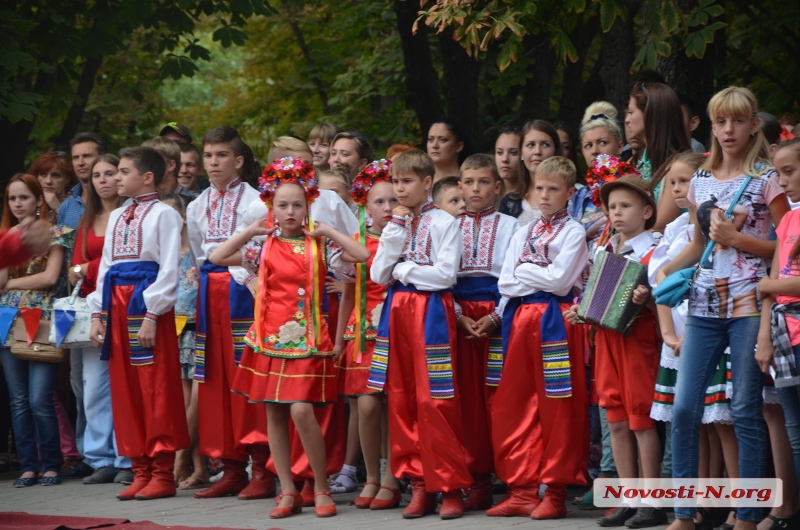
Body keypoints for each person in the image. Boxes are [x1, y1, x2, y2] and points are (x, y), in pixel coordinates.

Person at [657, 87, 790, 530]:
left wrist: (740, 241)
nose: (728, 130)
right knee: (683, 409)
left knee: (745, 408)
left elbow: (782, 248)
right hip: (703, 307)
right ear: (711, 127)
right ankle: (684, 512)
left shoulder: (766, 178)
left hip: (750, 306)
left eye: (737, 121)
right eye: (720, 122)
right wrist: (660, 271)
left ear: (754, 124)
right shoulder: (700, 181)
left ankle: (749, 515)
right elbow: (698, 245)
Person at [209, 156, 370, 519]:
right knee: (275, 415)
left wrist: (327, 230)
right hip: (269, 339)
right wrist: (250, 230)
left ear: (309, 205)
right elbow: (218, 256)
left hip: (310, 340)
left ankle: (321, 485)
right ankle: (287, 490)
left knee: (301, 410)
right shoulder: (262, 245)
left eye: (298, 204)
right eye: (282, 205)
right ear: (271, 207)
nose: (291, 211)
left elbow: (361, 255)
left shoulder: (318, 244)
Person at [369, 149, 471, 519]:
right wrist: (394, 235)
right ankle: (419, 485)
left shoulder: (445, 222)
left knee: (437, 398)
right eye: (395, 181)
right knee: (402, 398)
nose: (399, 188)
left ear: (427, 183)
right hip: (399, 314)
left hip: (430, 315)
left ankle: (451, 485)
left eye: (407, 180)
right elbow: (378, 274)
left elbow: (445, 276)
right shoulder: (395, 224)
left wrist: (405, 271)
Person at [87, 146, 188, 500]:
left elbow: (169, 269)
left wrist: (152, 314)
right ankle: (140, 468)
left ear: (147, 177)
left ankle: (162, 472)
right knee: (125, 388)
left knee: (155, 386)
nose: (116, 178)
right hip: (116, 303)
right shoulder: (116, 215)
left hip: (145, 305)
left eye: (123, 171)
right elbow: (107, 268)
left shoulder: (164, 215)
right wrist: (98, 313)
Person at [566, 171, 666, 528]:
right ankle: (628, 496)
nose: (617, 213)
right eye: (612, 207)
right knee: (616, 419)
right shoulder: (607, 248)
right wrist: (583, 310)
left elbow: (666, 299)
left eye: (626, 205)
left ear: (647, 211)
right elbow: (598, 297)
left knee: (641, 418)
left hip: (638, 341)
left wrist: (650, 298)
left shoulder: (657, 249)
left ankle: (651, 501)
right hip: (607, 341)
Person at [647, 152, 739, 529]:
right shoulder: (673, 232)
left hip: (717, 327)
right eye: (673, 183)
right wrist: (668, 334)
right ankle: (699, 503)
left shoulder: (713, 222)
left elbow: (695, 263)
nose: (679, 189)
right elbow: (664, 282)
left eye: (685, 181)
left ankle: (738, 503)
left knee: (723, 422)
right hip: (684, 336)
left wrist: (669, 271)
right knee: (693, 422)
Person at [492, 157, 588, 519]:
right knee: (515, 401)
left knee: (558, 402)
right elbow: (505, 282)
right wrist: (539, 273)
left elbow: (563, 282)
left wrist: (526, 270)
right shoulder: (523, 231)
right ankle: (522, 488)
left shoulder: (574, 231)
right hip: (520, 319)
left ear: (568, 192)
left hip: (555, 322)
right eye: (539, 188)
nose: (545, 195)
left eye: (553, 189)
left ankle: (556, 490)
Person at [186, 126, 273, 500]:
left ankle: (263, 469)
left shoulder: (257, 201)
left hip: (243, 290)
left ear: (238, 161)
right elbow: (196, 252)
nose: (213, 162)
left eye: (221, 155)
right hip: (210, 292)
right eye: (208, 155)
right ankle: (231, 466)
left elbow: (265, 253)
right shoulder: (196, 205)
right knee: (214, 377)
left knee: (246, 375)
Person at [329, 159, 402, 510]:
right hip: (363, 333)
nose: (387, 208)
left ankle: (391, 476)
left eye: (392, 200)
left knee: (392, 405)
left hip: (396, 331)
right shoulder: (356, 242)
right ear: (365, 205)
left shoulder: (405, 236)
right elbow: (346, 295)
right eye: (379, 202)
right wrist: (340, 338)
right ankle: (372, 475)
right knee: (367, 405)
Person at [452, 154, 519, 511]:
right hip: (460, 318)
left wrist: (496, 316)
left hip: (498, 317)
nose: (475, 188)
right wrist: (459, 314)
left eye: (483, 182)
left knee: (500, 398)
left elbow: (515, 277)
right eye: (469, 182)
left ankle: (512, 479)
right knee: (467, 402)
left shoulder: (512, 226)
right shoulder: (447, 226)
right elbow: (443, 278)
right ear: (459, 185)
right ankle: (475, 479)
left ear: (496, 187)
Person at [0, 173, 73, 487]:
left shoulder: (58, 232)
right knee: (18, 399)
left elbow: (49, 278)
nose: (18, 204)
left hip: (41, 318)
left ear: (39, 200)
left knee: (40, 398)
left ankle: (52, 464)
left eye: (24, 197)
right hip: (5, 319)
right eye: (13, 198)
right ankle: (28, 466)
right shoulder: (4, 236)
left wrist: (13, 283)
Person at [63, 154, 131, 485]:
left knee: (125, 385)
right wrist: (90, 268)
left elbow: (122, 261)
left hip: (127, 305)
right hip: (93, 313)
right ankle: (100, 458)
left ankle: (127, 457)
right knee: (93, 389)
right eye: (96, 176)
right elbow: (73, 270)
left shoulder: (132, 216)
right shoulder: (87, 222)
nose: (103, 180)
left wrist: (89, 267)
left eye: (110, 173)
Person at [756, 137, 800, 530]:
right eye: (778, 173)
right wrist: (764, 338)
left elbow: (773, 285)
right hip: (784, 334)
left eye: (790, 172)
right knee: (794, 429)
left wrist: (771, 288)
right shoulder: (786, 220)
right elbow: (773, 280)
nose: (782, 181)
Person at [161, 194, 207, 491]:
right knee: (183, 401)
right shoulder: (162, 253)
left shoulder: (196, 249)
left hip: (197, 331)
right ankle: (200, 467)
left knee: (198, 402)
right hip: (173, 335)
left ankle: (179, 456)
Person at [625, 82, 691, 232]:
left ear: (649, 114)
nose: (627, 119)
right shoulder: (637, 161)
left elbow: (659, 224)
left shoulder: (677, 166)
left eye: (630, 112)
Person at [568, 102, 625, 235]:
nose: (595, 151)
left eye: (603, 142)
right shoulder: (576, 197)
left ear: (620, 146)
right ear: (582, 151)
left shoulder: (634, 188)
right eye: (588, 145)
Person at [499, 120, 562, 224]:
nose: (537, 151)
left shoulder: (572, 198)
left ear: (555, 151)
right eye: (531, 145)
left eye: (545, 145)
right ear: (521, 153)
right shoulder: (509, 203)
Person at [59, 132, 106, 229]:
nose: (80, 163)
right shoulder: (66, 206)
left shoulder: (117, 200)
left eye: (87, 156)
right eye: (76, 157)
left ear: (102, 158)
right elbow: (61, 242)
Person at [27, 151, 78, 222]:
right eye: (43, 174)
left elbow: (78, 231)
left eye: (56, 175)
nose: (48, 181)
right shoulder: (30, 201)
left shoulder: (77, 203)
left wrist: (58, 208)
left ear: (67, 179)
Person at [494, 126, 522, 196]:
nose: (505, 159)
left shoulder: (534, 196)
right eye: (500, 153)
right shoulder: (488, 194)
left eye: (513, 153)